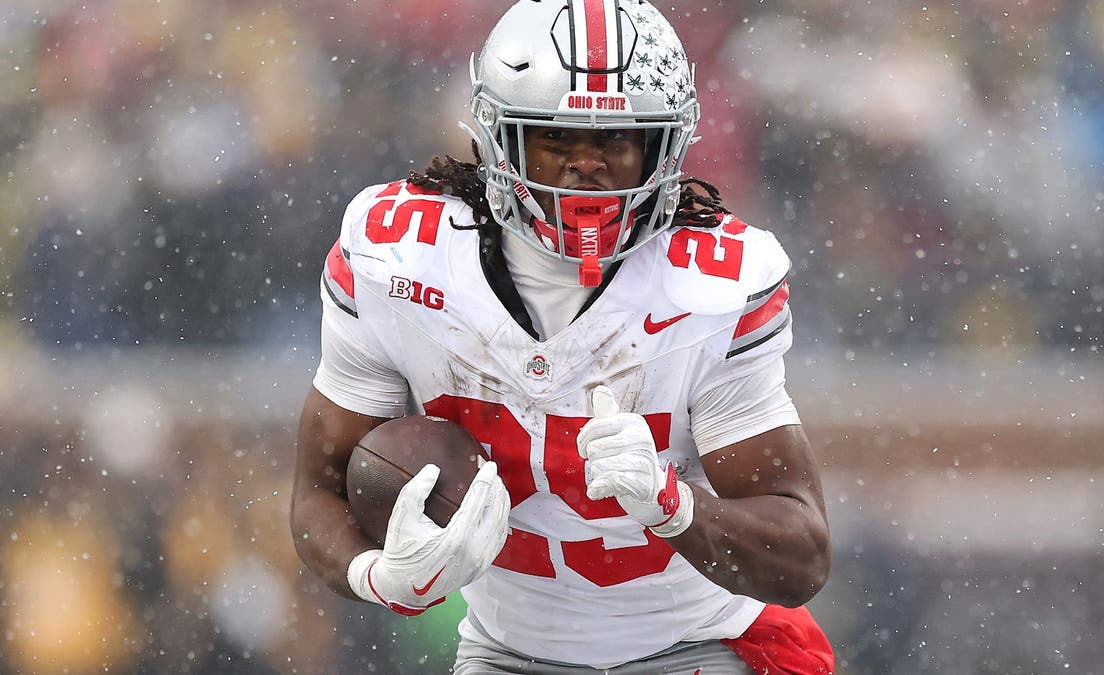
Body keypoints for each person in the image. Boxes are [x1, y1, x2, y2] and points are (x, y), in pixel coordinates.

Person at [290, 1, 835, 672]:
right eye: (556, 138)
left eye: (617, 141)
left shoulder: (711, 287)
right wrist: (378, 574)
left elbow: (801, 553)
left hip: (696, 646)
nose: (588, 167)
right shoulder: (399, 258)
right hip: (505, 653)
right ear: (498, 138)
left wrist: (673, 506)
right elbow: (320, 487)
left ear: (663, 147)